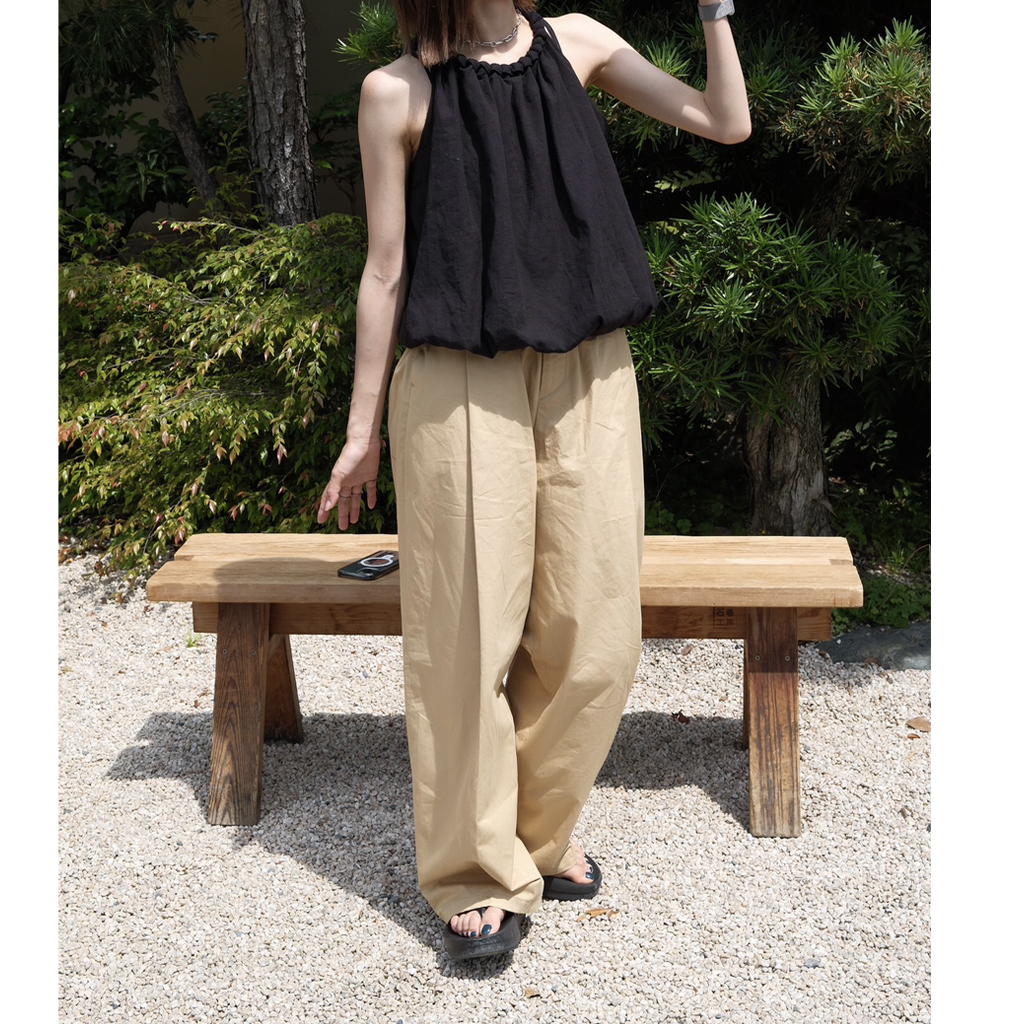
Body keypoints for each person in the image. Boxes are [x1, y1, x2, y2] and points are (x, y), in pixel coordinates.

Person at [317, 0, 750, 960]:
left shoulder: (580, 42)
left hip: (589, 371)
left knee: (597, 637)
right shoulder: (398, 93)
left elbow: (726, 122)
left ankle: (536, 835)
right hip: (459, 377)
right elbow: (384, 272)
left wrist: (715, 12)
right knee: (467, 634)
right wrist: (361, 433)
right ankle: (475, 872)